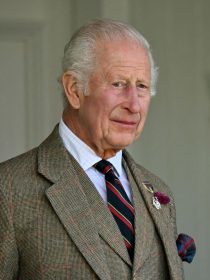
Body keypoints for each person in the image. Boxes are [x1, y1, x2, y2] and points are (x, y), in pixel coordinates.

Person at [0, 19, 195, 279]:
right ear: (74, 90)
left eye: (142, 86)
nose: (134, 105)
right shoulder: (9, 189)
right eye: (118, 84)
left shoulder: (159, 192)